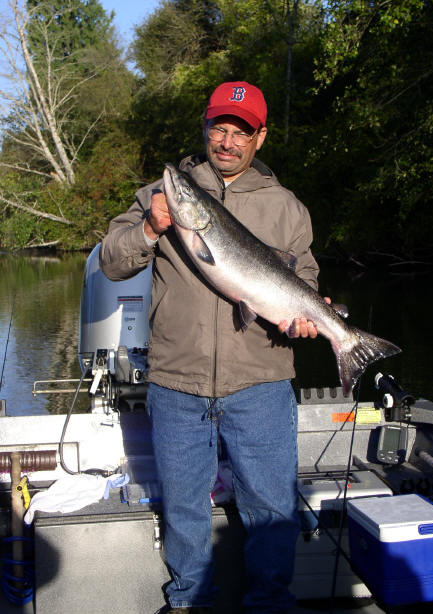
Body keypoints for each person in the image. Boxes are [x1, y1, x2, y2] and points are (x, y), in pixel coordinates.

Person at [100, 81, 321, 614]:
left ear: (260, 138)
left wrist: (307, 318)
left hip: (262, 381)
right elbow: (111, 260)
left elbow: (306, 278)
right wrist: (149, 229)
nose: (227, 142)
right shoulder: (162, 193)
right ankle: (188, 602)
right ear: (205, 128)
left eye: (240, 133)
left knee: (272, 507)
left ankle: (270, 604)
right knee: (183, 508)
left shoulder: (288, 208)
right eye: (219, 129)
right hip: (177, 380)